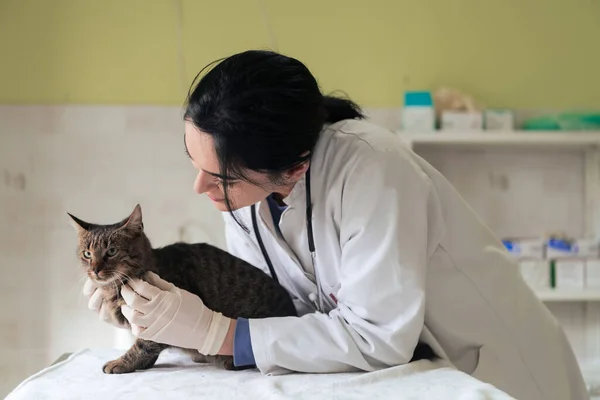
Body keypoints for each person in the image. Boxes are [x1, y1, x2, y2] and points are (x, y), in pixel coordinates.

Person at [83, 50, 587, 400]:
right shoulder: (249, 197)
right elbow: (288, 313)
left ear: (295, 167)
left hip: (496, 374)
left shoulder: (371, 167)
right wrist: (153, 320)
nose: (201, 188)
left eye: (220, 177)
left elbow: (377, 336)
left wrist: (221, 333)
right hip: (411, 374)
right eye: (195, 164)